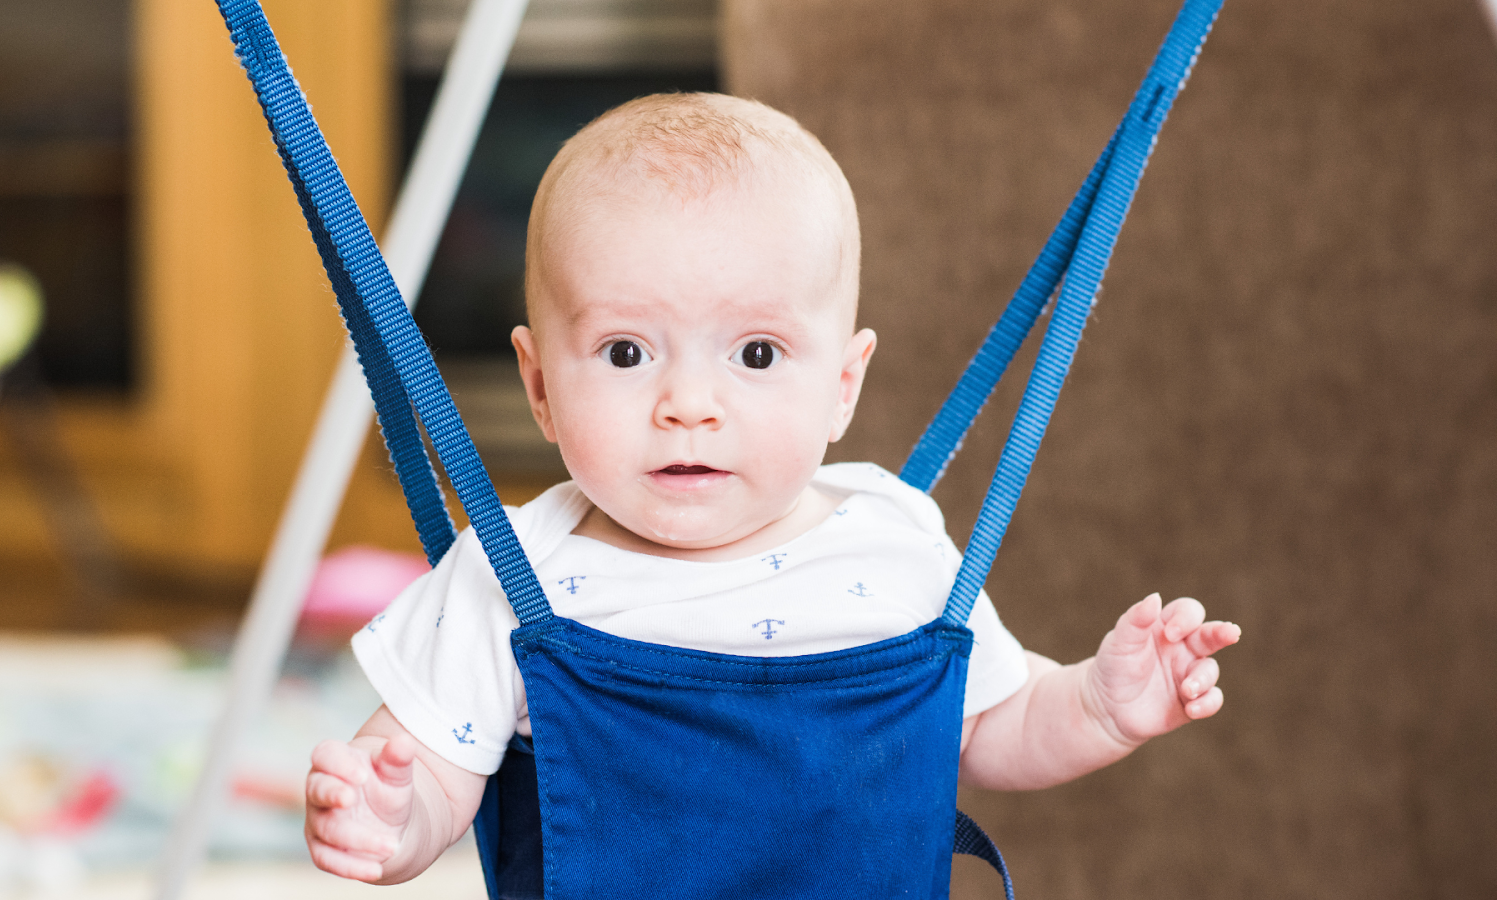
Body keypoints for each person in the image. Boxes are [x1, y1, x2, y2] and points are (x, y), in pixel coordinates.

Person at [303, 93, 1241, 884]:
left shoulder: (894, 544)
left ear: (843, 383)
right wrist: (388, 816)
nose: (689, 406)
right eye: (627, 352)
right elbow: (430, 772)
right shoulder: (510, 579)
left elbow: (994, 726)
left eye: (756, 353)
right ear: (540, 383)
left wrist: (1097, 709)